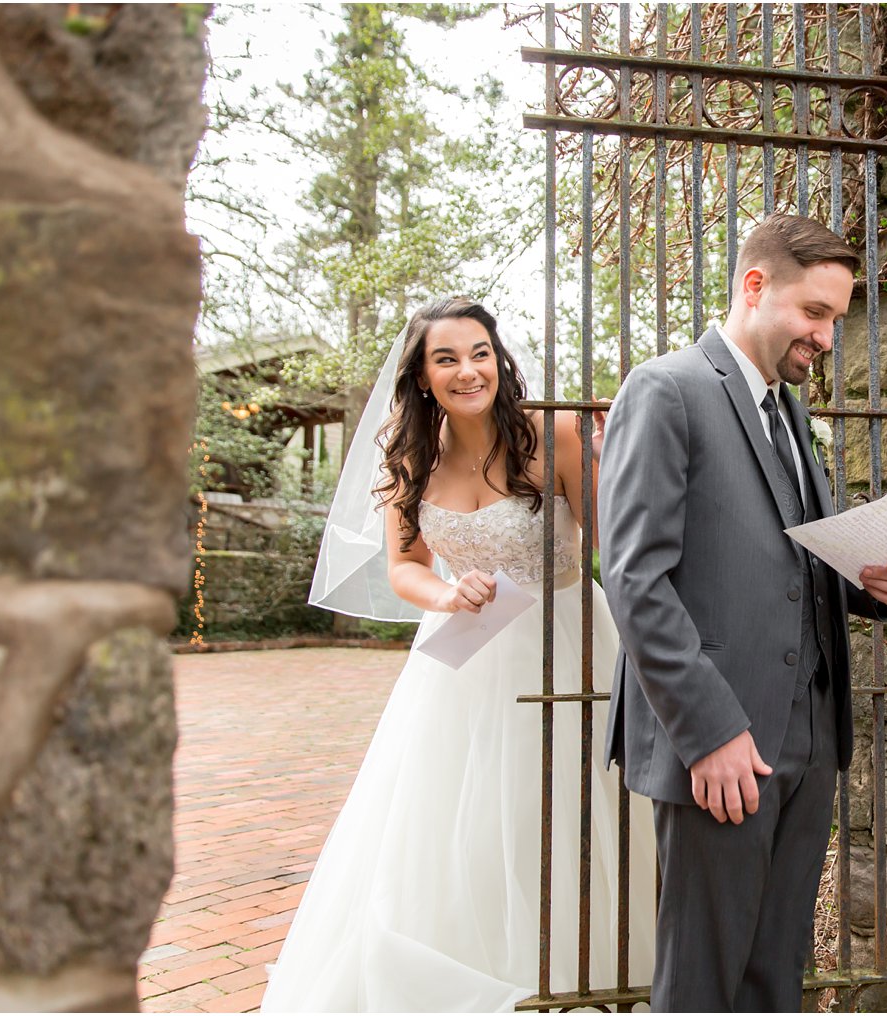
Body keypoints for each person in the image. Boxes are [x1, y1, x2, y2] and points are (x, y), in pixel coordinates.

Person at [262, 297, 655, 1012]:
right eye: (446, 358)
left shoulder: (551, 434)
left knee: (566, 807)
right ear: (421, 375)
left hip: (567, 642)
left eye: (479, 353)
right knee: (461, 824)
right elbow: (404, 564)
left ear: (498, 359)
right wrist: (443, 597)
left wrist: (613, 459)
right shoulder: (410, 454)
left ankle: (589, 971)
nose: (468, 370)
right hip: (463, 659)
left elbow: (614, 544)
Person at [599, 213, 887, 1012]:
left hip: (807, 732)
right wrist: (709, 733)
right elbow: (635, 576)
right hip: (721, 738)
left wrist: (863, 582)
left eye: (835, 321)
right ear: (754, 286)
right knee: (703, 982)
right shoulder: (666, 389)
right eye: (815, 314)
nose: (826, 337)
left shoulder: (788, 412)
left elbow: (786, 556)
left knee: (776, 974)